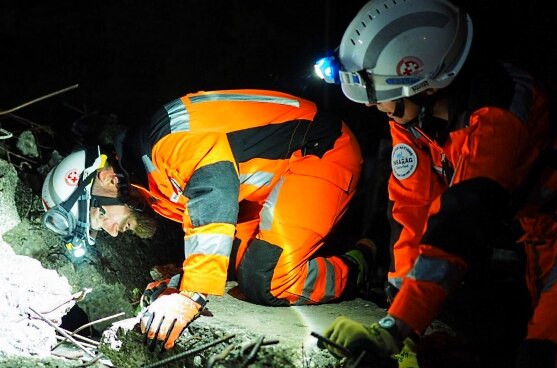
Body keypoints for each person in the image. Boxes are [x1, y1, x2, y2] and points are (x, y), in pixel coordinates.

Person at [313, 0, 557, 367]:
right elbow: (412, 210)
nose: (372, 106)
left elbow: (461, 221)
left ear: (425, 85)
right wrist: (401, 320)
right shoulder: (412, 120)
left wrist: (393, 330)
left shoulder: (498, 114)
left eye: (381, 95)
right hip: (540, 230)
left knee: (549, 355)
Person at [42, 89, 372, 350]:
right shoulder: (149, 187)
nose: (113, 233)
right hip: (268, 185)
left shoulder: (164, 145)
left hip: (319, 151)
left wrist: (192, 294)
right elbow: (215, 228)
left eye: (101, 217)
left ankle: (359, 264)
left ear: (106, 179)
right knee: (236, 268)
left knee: (266, 279)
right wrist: (181, 283)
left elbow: (215, 190)